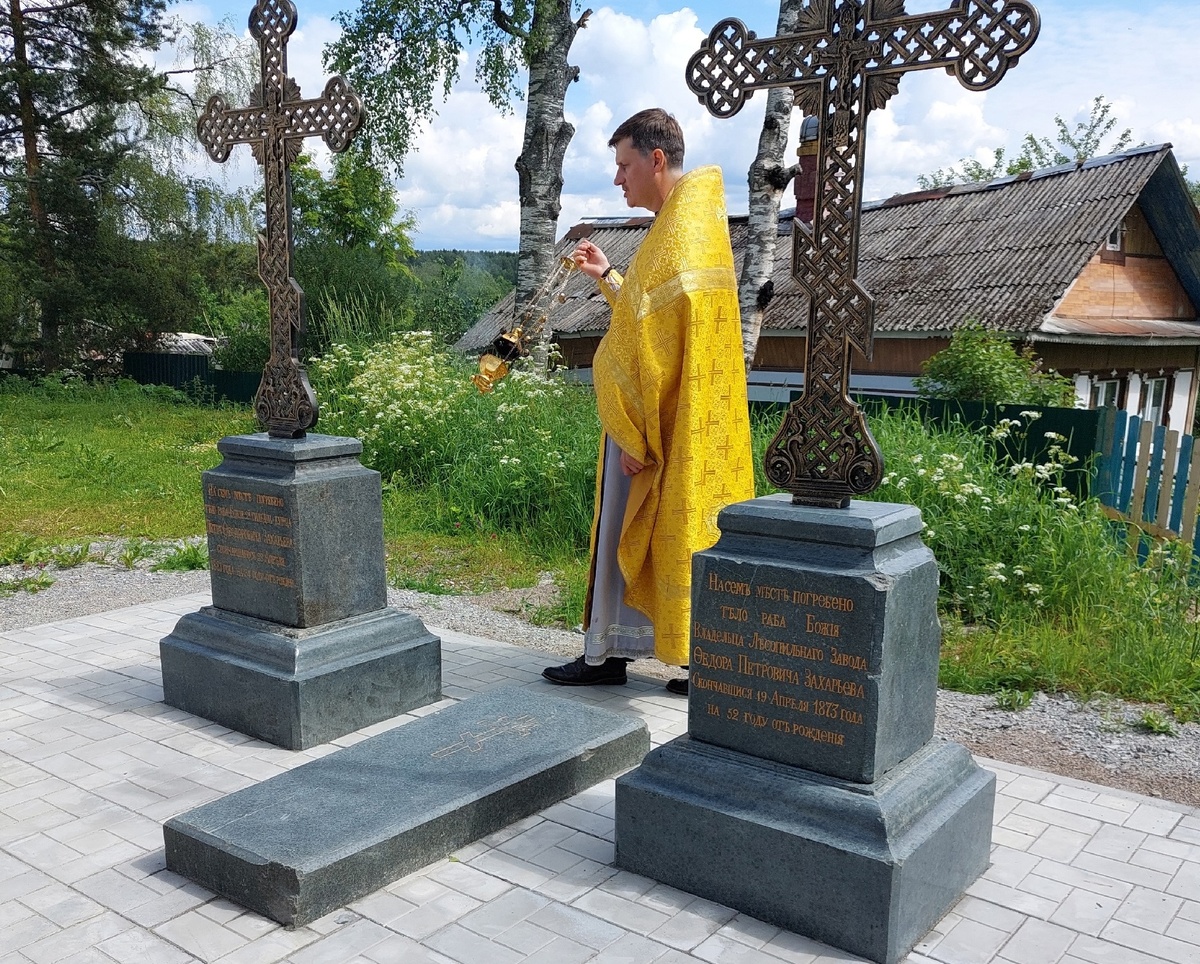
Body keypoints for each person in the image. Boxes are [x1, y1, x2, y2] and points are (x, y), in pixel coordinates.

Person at [542, 108, 754, 695]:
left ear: (656, 160)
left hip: (651, 424)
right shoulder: (689, 223)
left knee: (621, 526)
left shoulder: (678, 231)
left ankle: (608, 653)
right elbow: (651, 326)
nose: (618, 179)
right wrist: (609, 277)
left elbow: (647, 344)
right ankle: (698, 658)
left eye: (624, 165)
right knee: (686, 530)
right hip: (688, 421)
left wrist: (636, 434)